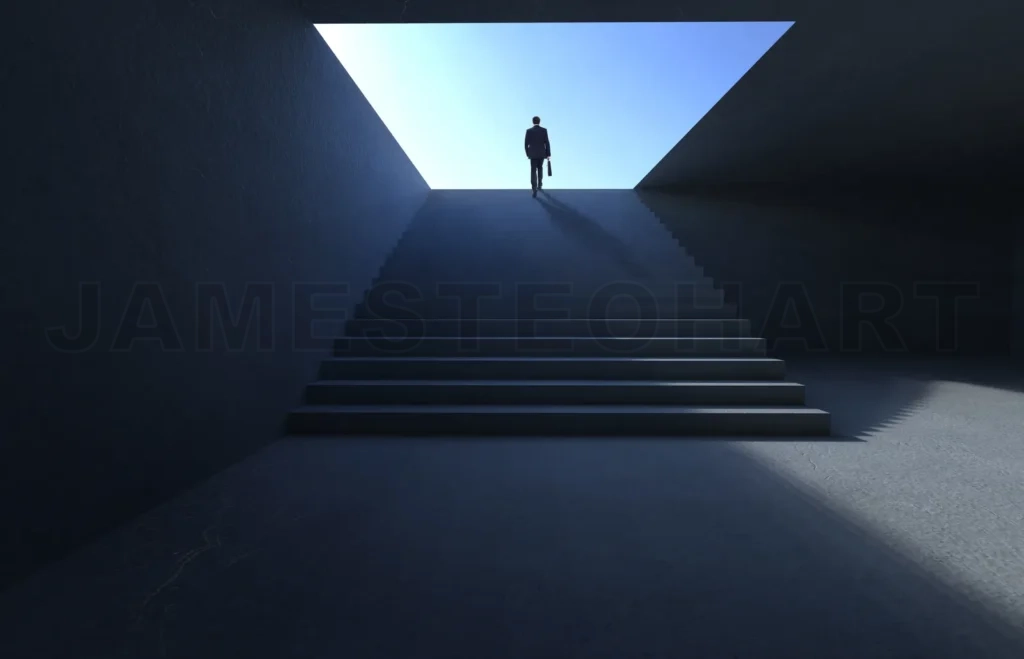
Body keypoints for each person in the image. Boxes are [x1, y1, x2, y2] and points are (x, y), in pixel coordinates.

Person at [524, 116, 551, 197]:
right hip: (541, 153)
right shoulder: (544, 130)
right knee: (540, 168)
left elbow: (526, 144)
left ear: (533, 122)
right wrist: (548, 154)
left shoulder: (529, 131)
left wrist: (528, 153)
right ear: (539, 122)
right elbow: (547, 143)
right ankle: (540, 184)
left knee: (533, 170)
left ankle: (534, 188)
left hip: (532, 154)